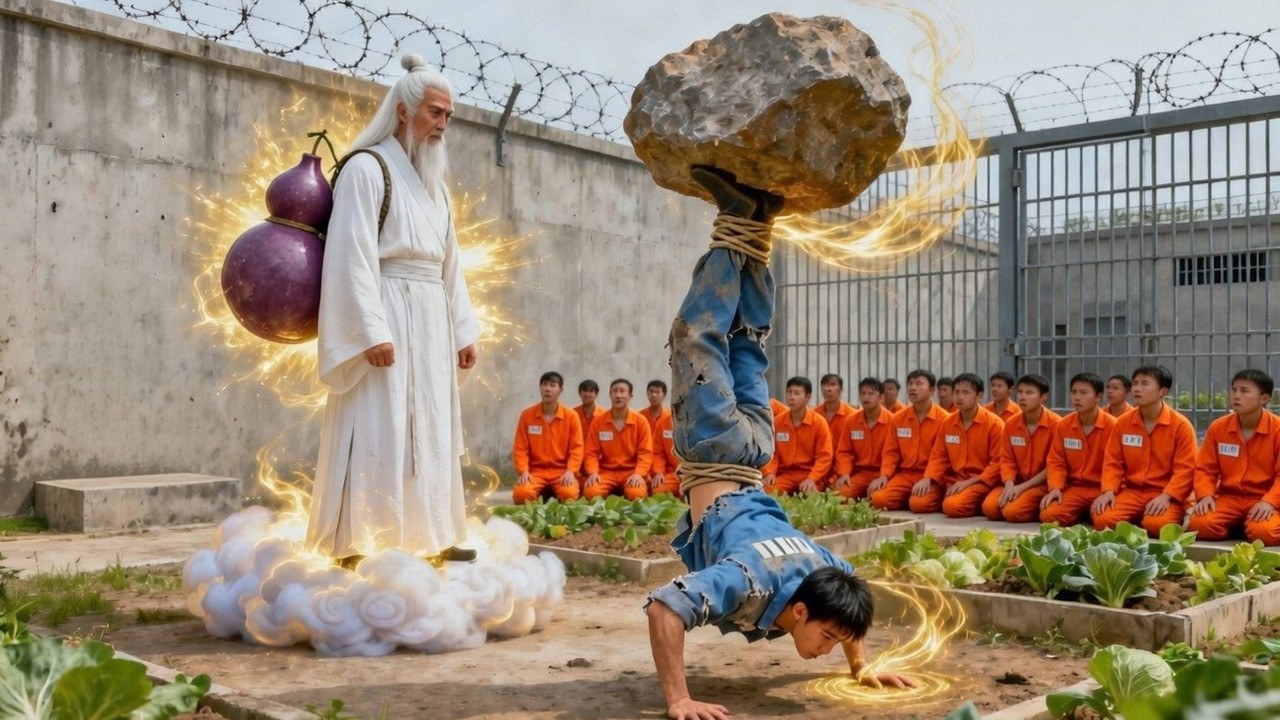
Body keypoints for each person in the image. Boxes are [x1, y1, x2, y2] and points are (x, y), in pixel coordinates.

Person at [648, 166, 911, 720]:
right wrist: (679, 699)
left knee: (748, 344)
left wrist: (861, 665)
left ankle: (758, 226)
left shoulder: (819, 569)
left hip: (757, 450)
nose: (828, 648)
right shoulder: (749, 578)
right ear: (796, 610)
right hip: (714, 450)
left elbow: (849, 585)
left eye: (836, 641)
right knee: (697, 338)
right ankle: (735, 224)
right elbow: (664, 608)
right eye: (829, 637)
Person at [308, 54, 480, 565]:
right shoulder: (366, 169)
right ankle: (363, 541)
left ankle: (431, 534)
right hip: (386, 312)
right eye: (434, 113)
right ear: (404, 111)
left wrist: (463, 331)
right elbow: (349, 255)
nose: (442, 125)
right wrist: (369, 330)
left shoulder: (437, 189)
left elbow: (451, 265)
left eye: (448, 116)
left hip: (431, 318)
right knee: (380, 423)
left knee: (430, 424)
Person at [1092, 365, 1197, 537]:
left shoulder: (1180, 426)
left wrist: (1166, 496)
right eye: (1135, 383)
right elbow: (1113, 462)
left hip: (1167, 493)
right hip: (1133, 491)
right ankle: (1137, 518)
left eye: (1145, 384)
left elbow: (1186, 469)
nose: (1137, 389)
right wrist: (1109, 491)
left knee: (1157, 525)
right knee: (1103, 519)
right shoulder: (1123, 423)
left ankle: (1165, 516)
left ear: (1162, 391)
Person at [1187, 369, 1280, 544]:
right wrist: (1205, 495)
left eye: (1244, 391)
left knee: (1264, 533)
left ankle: (1251, 525)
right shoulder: (1219, 428)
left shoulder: (1277, 430)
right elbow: (1205, 469)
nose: (1236, 396)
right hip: (1228, 498)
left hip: (1264, 498)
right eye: (1234, 389)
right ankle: (1241, 525)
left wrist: (1270, 502)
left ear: (1264, 398)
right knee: (1200, 524)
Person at [919, 373, 1003, 516]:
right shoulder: (948, 423)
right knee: (918, 503)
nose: (960, 397)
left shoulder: (995, 424)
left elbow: (998, 462)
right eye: (956, 392)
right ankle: (963, 499)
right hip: (954, 479)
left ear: (979, 396)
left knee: (952, 507)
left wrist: (970, 482)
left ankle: (975, 501)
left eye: (966, 392)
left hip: (981, 480)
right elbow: (939, 455)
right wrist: (928, 478)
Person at [1040, 373, 1117, 526]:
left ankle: (1090, 512)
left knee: (1105, 520)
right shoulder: (1064, 425)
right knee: (1049, 515)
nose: (1077, 397)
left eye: (1083, 393)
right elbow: (1056, 461)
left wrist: (1109, 490)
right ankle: (1083, 512)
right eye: (1074, 392)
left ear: (1098, 397)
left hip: (1102, 487)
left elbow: (1118, 464)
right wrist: (1055, 487)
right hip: (1076, 487)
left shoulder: (1114, 426)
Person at [983, 373, 1061, 522]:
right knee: (990, 508)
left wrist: (1022, 488)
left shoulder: (1056, 424)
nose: (1022, 397)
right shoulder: (1011, 423)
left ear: (1043, 397)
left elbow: (1053, 465)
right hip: (1015, 482)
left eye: (1029, 393)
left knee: (1013, 512)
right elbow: (1006, 459)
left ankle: (1035, 505)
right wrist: (1009, 484)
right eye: (1020, 392)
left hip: (1042, 484)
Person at [867, 370, 949, 510]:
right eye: (910, 383)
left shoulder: (945, 419)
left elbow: (942, 456)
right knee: (878, 499)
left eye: (918, 383)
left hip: (932, 477)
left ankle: (930, 497)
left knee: (919, 504)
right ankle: (908, 498)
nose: (912, 387)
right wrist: (884, 476)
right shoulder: (899, 418)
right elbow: (891, 452)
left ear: (932, 390)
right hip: (906, 475)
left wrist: (929, 478)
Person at [511, 372, 584, 504]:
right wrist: (524, 471)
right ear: (540, 387)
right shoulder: (527, 415)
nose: (548, 389)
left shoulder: (571, 416)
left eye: (553, 385)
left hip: (561, 471)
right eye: (544, 384)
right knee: (521, 494)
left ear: (560, 390)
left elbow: (577, 448)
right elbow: (520, 448)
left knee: (569, 494)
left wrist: (571, 471)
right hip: (535, 472)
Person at [583, 379, 653, 501]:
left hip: (631, 472)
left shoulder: (640, 421)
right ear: (610, 395)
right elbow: (591, 453)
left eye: (622, 391)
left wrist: (639, 474)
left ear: (630, 396)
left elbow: (646, 453)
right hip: (606, 472)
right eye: (614, 391)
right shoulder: (599, 421)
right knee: (591, 492)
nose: (618, 395)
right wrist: (593, 472)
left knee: (637, 494)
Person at [762, 377, 833, 495]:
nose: (791, 397)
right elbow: (773, 453)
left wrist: (812, 478)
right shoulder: (778, 422)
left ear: (807, 397)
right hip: (786, 475)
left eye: (797, 393)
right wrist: (770, 472)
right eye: (789, 392)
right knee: (766, 492)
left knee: (811, 497)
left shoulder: (819, 423)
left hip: (809, 473)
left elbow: (824, 456)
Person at [832, 377, 893, 501]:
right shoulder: (851, 421)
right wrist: (844, 473)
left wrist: (885, 475)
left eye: (871, 394)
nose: (866, 397)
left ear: (881, 397)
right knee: (839, 495)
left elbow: (894, 453)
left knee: (878, 498)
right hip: (862, 473)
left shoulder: (893, 421)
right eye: (863, 393)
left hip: (884, 473)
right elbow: (844, 451)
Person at [651, 410, 682, 497]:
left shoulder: (697, 422)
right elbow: (658, 453)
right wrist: (659, 472)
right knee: (658, 492)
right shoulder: (663, 423)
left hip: (693, 473)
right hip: (673, 473)